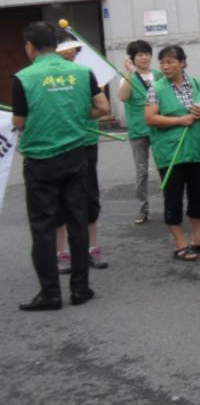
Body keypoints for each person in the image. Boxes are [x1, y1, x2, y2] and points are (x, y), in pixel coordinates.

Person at [12, 21, 108, 310]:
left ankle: (50, 294)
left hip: (40, 161)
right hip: (75, 155)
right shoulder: (82, 72)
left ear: (30, 47)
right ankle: (81, 289)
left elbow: (19, 122)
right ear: (56, 44)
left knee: (43, 227)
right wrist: (77, 116)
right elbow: (103, 108)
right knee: (77, 221)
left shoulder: (23, 77)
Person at [144, 45, 200, 261]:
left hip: (197, 150)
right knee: (173, 198)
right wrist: (179, 120)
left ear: (183, 62)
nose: (165, 66)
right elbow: (150, 118)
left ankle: (198, 240)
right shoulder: (155, 89)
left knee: (198, 197)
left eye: (170, 61)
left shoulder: (198, 85)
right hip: (171, 153)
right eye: (162, 62)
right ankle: (180, 244)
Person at [54, 32, 108, 271]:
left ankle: (91, 248)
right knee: (58, 198)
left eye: (73, 48)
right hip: (56, 145)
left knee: (88, 195)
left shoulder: (85, 74)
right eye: (65, 48)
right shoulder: (46, 78)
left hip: (85, 142)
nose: (70, 52)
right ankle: (61, 252)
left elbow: (102, 107)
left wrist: (75, 116)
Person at [117, 39, 162, 225]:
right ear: (132, 58)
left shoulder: (159, 75)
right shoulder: (128, 77)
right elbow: (123, 97)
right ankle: (143, 209)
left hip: (159, 127)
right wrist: (129, 73)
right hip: (138, 130)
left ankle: (172, 204)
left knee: (165, 168)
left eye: (147, 53)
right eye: (140, 54)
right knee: (142, 171)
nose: (144, 57)